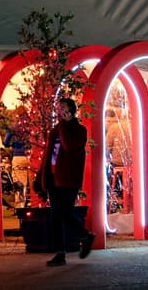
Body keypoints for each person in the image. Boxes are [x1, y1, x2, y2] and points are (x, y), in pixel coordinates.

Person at [35, 97, 94, 266]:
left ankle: (85, 235)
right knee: (56, 215)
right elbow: (47, 155)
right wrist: (41, 177)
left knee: (65, 212)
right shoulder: (55, 130)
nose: (60, 111)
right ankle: (60, 253)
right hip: (53, 178)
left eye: (63, 108)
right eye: (59, 108)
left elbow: (69, 146)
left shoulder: (79, 130)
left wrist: (65, 125)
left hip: (68, 178)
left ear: (71, 110)